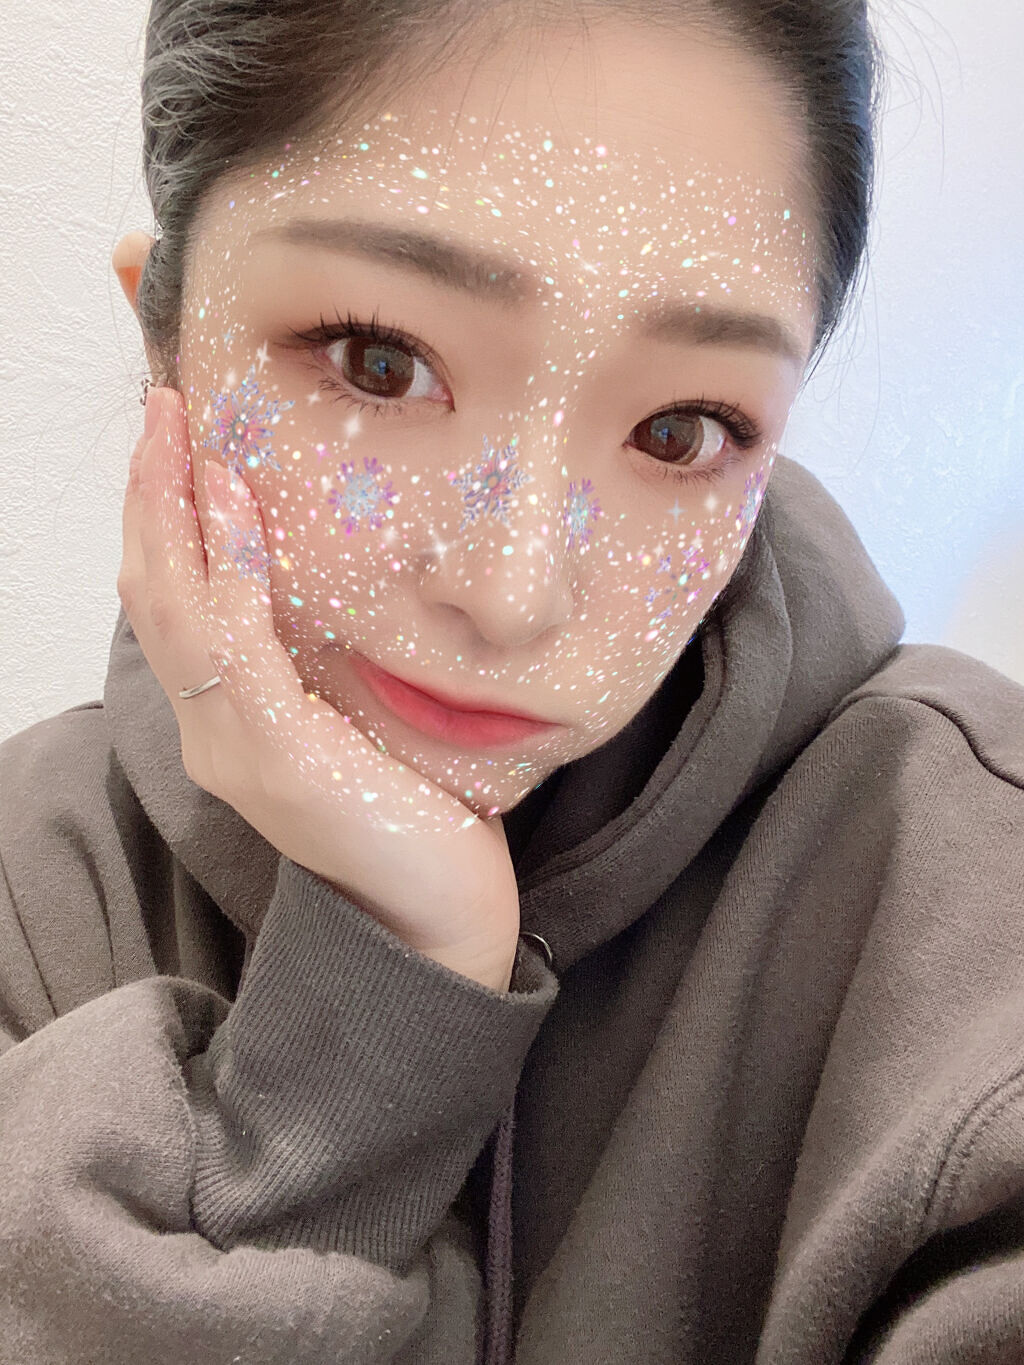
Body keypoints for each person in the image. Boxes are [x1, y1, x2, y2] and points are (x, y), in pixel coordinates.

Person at [1, 1, 1023, 1361]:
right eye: (379, 361)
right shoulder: (34, 888)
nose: (512, 591)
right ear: (164, 340)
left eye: (682, 430)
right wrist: (381, 998)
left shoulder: (970, 885)